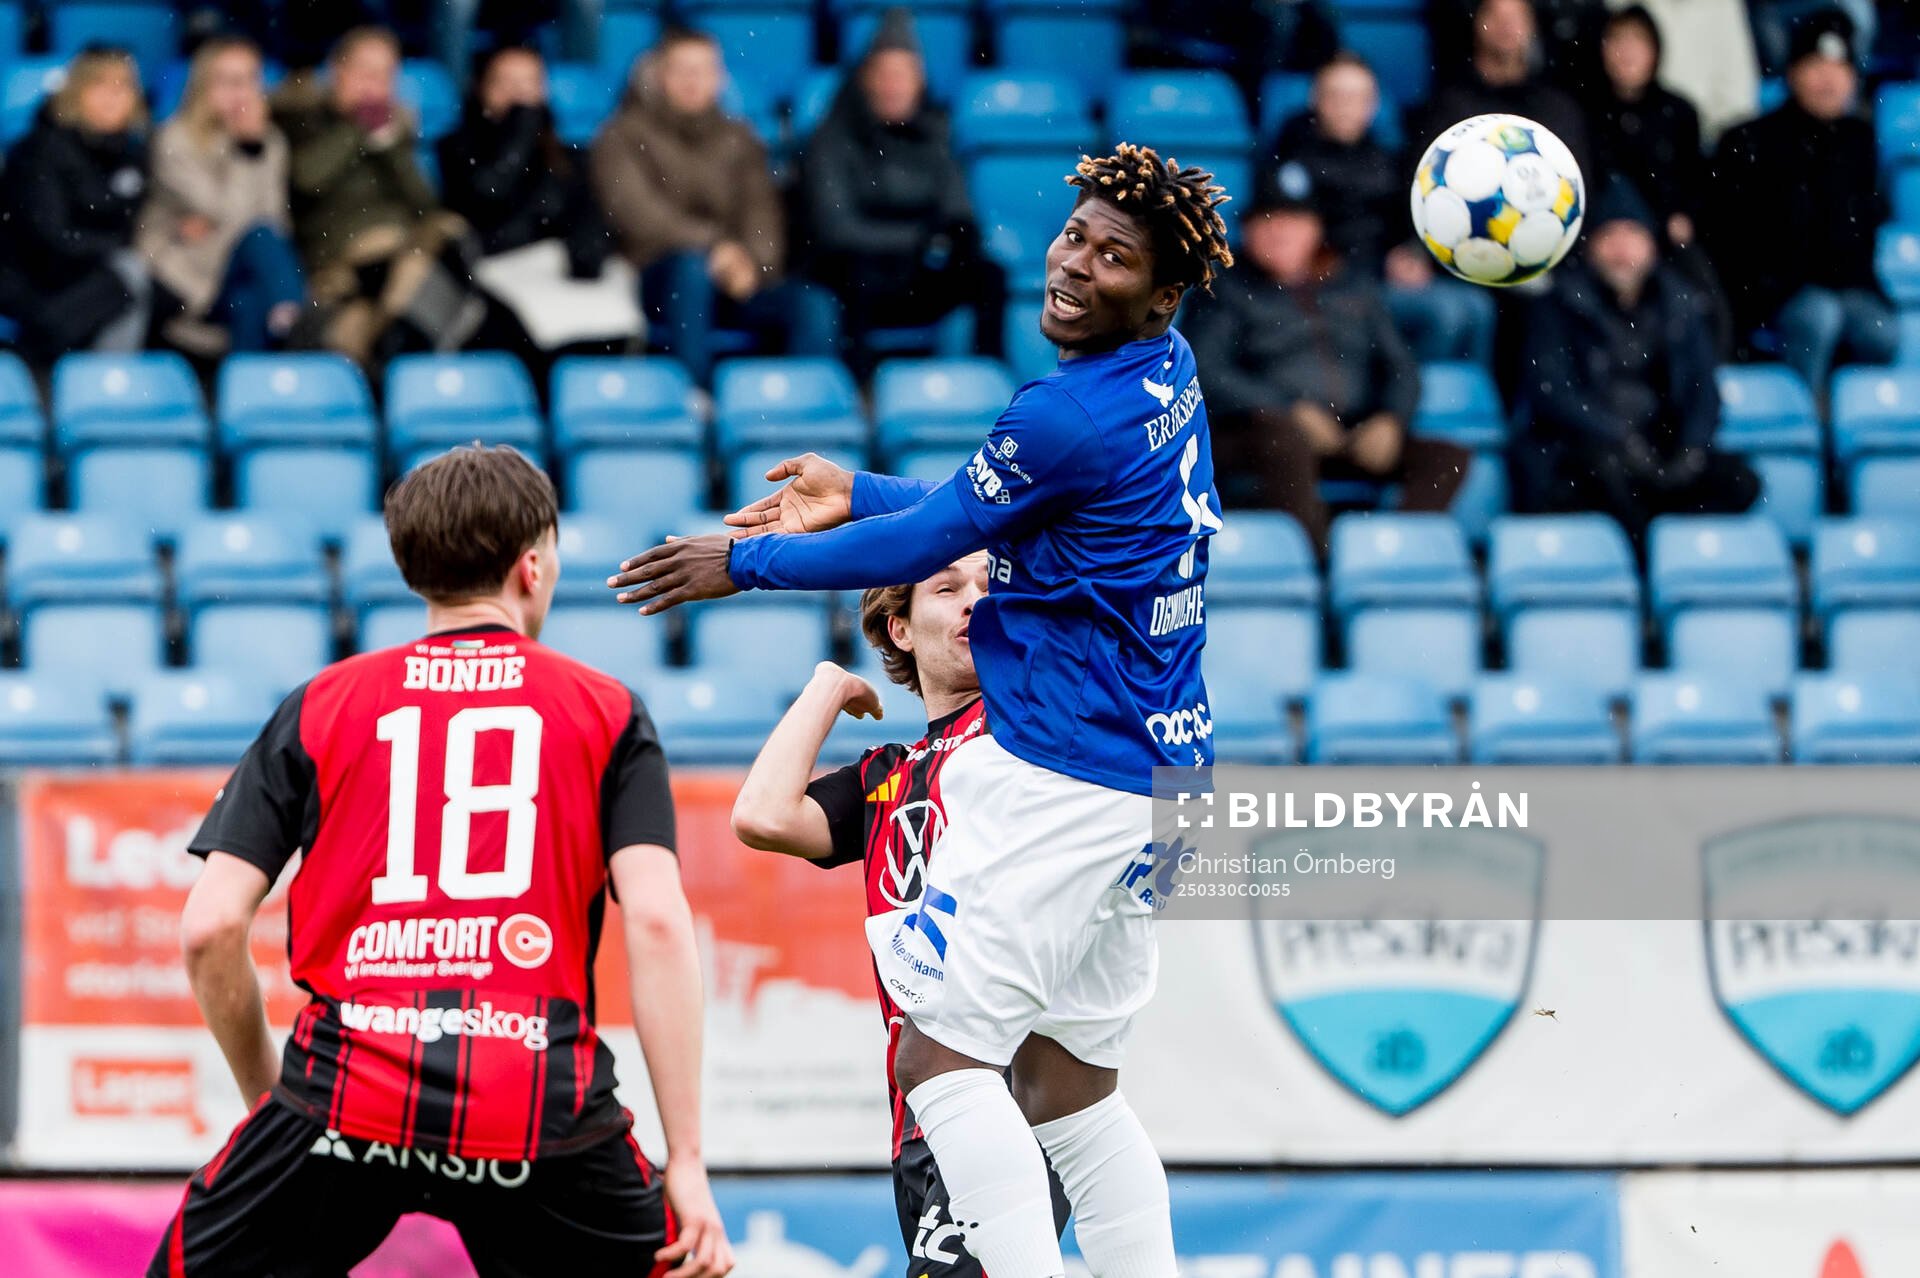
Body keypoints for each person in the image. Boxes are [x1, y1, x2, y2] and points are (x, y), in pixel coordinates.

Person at [609, 142, 1238, 1278]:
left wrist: (740, 565)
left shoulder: (1065, 412)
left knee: (941, 1059)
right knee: (1069, 1085)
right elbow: (997, 510)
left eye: (1114, 255)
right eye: (1074, 235)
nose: (1076, 265)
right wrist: (855, 490)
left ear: (1162, 288)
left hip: (1066, 772)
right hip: (1165, 777)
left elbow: (936, 540)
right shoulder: (1167, 370)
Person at [149, 446, 732, 1277]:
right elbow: (659, 923)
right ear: (533, 567)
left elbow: (209, 927)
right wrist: (689, 1162)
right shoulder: (605, 710)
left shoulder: (321, 704)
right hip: (538, 1106)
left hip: (345, 1093)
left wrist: (272, 1101)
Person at [732, 556, 1072, 1277]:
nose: (974, 603)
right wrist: (827, 688)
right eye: (948, 590)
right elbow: (761, 814)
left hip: (1009, 1094)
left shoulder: (1033, 729)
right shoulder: (887, 774)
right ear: (900, 629)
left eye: (989, 587)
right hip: (919, 1118)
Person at [1185, 183, 1463, 545]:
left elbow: (1401, 367)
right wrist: (1286, 409)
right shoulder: (1224, 288)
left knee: (1446, 457)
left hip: (1351, 434)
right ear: (1248, 231)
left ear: (1316, 230)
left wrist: (1392, 420)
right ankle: (1317, 560)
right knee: (1283, 441)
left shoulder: (1352, 284)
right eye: (1267, 221)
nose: (1280, 231)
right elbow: (1205, 370)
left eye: (1294, 220)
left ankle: (1391, 552)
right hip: (1258, 434)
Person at [591, 27, 838, 383]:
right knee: (691, 272)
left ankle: (809, 407)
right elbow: (638, 217)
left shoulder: (741, 138)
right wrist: (716, 249)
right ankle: (694, 401)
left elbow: (763, 213)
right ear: (660, 76)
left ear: (719, 78)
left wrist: (753, 263)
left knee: (814, 305)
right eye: (682, 70)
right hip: (655, 278)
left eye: (703, 70)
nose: (693, 80)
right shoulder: (621, 135)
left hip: (736, 279)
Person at [1518, 182, 1758, 540]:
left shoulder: (1679, 303)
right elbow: (1551, 392)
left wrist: (1691, 450)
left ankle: (1677, 563)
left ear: (1651, 245)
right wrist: (1618, 438)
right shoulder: (1559, 303)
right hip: (1584, 451)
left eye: (1632, 234)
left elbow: (1703, 393)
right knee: (1606, 475)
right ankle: (1643, 565)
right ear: (1591, 246)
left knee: (1738, 480)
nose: (1621, 249)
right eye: (1610, 235)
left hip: (1659, 445)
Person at [796, 10, 1006, 371]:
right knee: (849, 276)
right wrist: (919, 239)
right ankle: (858, 389)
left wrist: (956, 239)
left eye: (904, 76)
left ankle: (987, 380)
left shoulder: (935, 135)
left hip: (915, 273)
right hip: (854, 272)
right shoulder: (831, 139)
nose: (894, 86)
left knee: (988, 275)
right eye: (885, 75)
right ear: (865, 80)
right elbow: (835, 230)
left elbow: (958, 212)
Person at [275, 26, 487, 364]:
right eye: (365, 71)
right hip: (342, 256)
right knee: (430, 272)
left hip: (401, 254)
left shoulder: (394, 130)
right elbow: (306, 181)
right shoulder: (301, 117)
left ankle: (390, 340)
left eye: (385, 74)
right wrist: (355, 129)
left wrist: (390, 147)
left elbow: (424, 206)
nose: (375, 84)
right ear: (337, 71)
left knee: (452, 235)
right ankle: (400, 345)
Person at [1267, 52, 1495, 364]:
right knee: (1446, 314)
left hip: (1385, 280)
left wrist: (1412, 254)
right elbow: (1285, 239)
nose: (1347, 107)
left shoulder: (1387, 159)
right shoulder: (1290, 159)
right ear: (1316, 99)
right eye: (1337, 96)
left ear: (1372, 105)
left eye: (1358, 97)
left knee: (1478, 306)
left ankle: (1465, 401)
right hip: (1336, 287)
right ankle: (1410, 395)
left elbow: (1412, 221)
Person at [1708, 11, 1891, 398]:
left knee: (1883, 330)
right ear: (1792, 73)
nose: (1828, 80)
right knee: (1819, 316)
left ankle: (1855, 418)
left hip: (1849, 289)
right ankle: (1806, 421)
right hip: (1779, 296)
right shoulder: (1753, 140)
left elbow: (1864, 231)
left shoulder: (1860, 141)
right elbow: (1739, 243)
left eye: (1838, 68)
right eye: (1816, 66)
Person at [438, 45, 633, 356]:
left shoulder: (568, 158)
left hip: (563, 272)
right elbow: (487, 197)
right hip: (497, 274)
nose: (519, 95)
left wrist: (586, 253)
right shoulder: (456, 149)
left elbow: (588, 215)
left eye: (528, 83)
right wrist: (521, 130)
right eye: (506, 83)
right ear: (482, 88)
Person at [138, 36, 304, 354]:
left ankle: (246, 390)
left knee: (249, 299)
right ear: (204, 85)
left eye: (250, 80)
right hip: (187, 275)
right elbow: (227, 212)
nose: (241, 93)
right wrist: (246, 151)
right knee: (258, 245)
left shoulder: (270, 142)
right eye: (229, 81)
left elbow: (275, 221)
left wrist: (255, 146)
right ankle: (292, 316)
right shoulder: (175, 139)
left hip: (241, 269)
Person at [0, 47, 168, 357]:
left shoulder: (135, 154)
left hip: (98, 275)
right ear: (77, 91)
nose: (112, 97)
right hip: (38, 281)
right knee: (130, 275)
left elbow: (139, 222)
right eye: (100, 85)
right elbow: (48, 238)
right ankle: (104, 378)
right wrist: (116, 250)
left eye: (123, 86)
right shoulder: (40, 150)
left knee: (162, 291)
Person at [1588, 6, 1731, 356]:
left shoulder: (1679, 112)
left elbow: (1698, 183)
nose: (1627, 52)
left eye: (1637, 42)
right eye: (1617, 41)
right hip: (1598, 241)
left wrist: (1681, 218)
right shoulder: (1583, 109)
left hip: (1668, 242)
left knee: (1703, 302)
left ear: (1655, 52)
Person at [1421, 0, 1593, 182]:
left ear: (1532, 24)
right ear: (1477, 22)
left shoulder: (1558, 108)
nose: (1506, 25)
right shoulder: (1449, 107)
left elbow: (1578, 181)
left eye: (1516, 16)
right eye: (1495, 15)